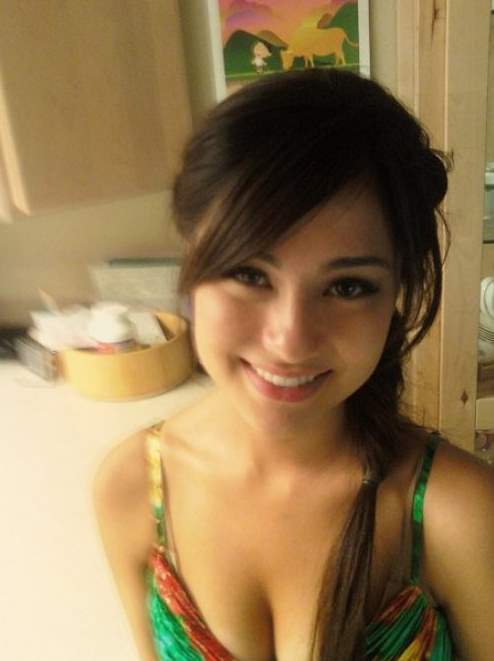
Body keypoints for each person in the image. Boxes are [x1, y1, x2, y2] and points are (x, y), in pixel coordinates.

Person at [93, 68, 494, 661]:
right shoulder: (131, 488)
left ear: (395, 296)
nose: (290, 339)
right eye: (250, 274)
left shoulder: (458, 512)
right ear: (191, 260)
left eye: (348, 286)